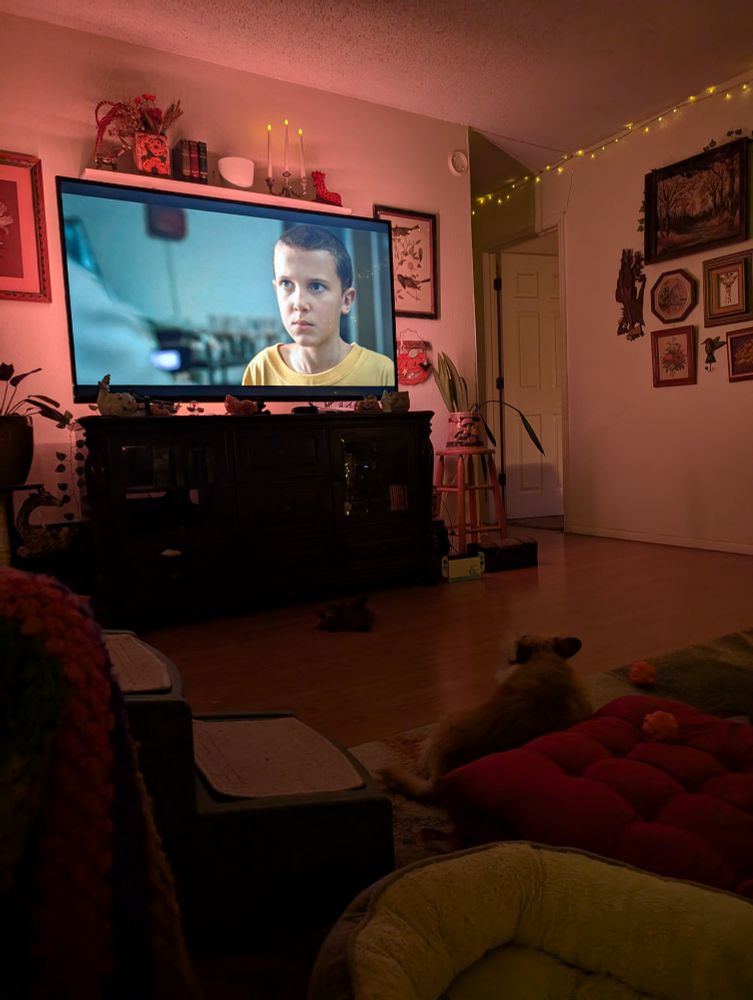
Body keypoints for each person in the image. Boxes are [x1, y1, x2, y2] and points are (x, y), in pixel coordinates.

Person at [241, 224, 394, 386]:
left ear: (346, 300)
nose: (299, 304)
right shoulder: (261, 370)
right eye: (286, 283)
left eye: (316, 286)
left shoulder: (382, 373)